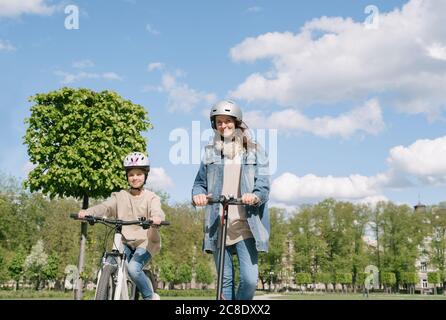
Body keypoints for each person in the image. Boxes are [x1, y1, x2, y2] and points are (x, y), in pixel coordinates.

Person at [192, 100, 270, 300]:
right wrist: (198, 195)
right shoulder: (211, 153)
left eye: (228, 121)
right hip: (219, 223)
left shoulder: (254, 150)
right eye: (219, 122)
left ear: (236, 123)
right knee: (224, 282)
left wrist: (255, 196)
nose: (223, 125)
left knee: (250, 280)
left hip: (246, 224)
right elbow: (200, 183)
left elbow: (263, 184)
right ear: (214, 125)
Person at [78, 151, 164, 300]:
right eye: (131, 174)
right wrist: (88, 212)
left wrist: (156, 218)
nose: (135, 178)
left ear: (145, 176)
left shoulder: (151, 197)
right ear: (127, 176)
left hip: (145, 241)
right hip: (124, 240)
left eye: (139, 174)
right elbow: (105, 207)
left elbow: (157, 211)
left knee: (133, 269)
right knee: (107, 264)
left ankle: (150, 296)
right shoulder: (120, 196)